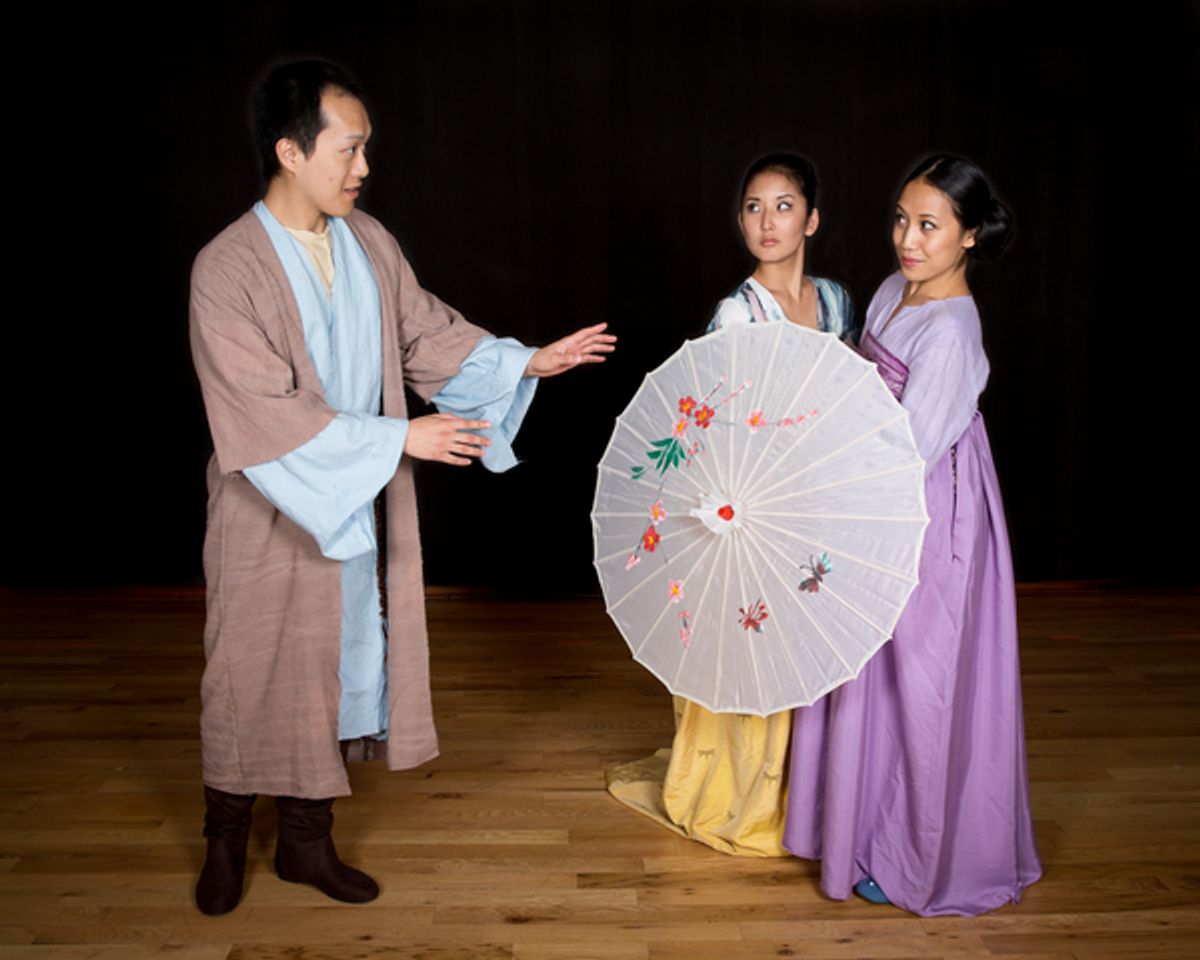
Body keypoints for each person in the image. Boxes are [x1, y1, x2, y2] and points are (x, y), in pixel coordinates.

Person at [188, 59, 614, 916]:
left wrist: (522, 361)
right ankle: (226, 837)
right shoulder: (225, 268)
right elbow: (261, 412)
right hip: (263, 510)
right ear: (289, 150)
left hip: (351, 499)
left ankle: (308, 842)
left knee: (332, 667)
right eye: (349, 150)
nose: (363, 168)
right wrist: (400, 437)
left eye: (365, 150)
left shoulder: (368, 242)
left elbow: (424, 336)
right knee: (248, 670)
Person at [781, 155, 1041, 915]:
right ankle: (855, 826)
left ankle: (915, 855)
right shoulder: (896, 289)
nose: (908, 238)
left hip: (929, 507)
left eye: (929, 225)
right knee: (863, 663)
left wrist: (832, 484)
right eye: (901, 217)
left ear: (967, 236)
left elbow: (911, 450)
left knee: (917, 678)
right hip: (876, 479)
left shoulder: (955, 332)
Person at [607, 153, 856, 856]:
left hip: (815, 496)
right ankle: (742, 795)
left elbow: (843, 394)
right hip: (748, 501)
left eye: (783, 206)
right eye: (752, 206)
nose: (767, 221)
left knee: (805, 642)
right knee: (753, 640)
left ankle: (801, 792)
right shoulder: (735, 313)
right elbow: (716, 424)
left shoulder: (836, 300)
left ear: (812, 218)